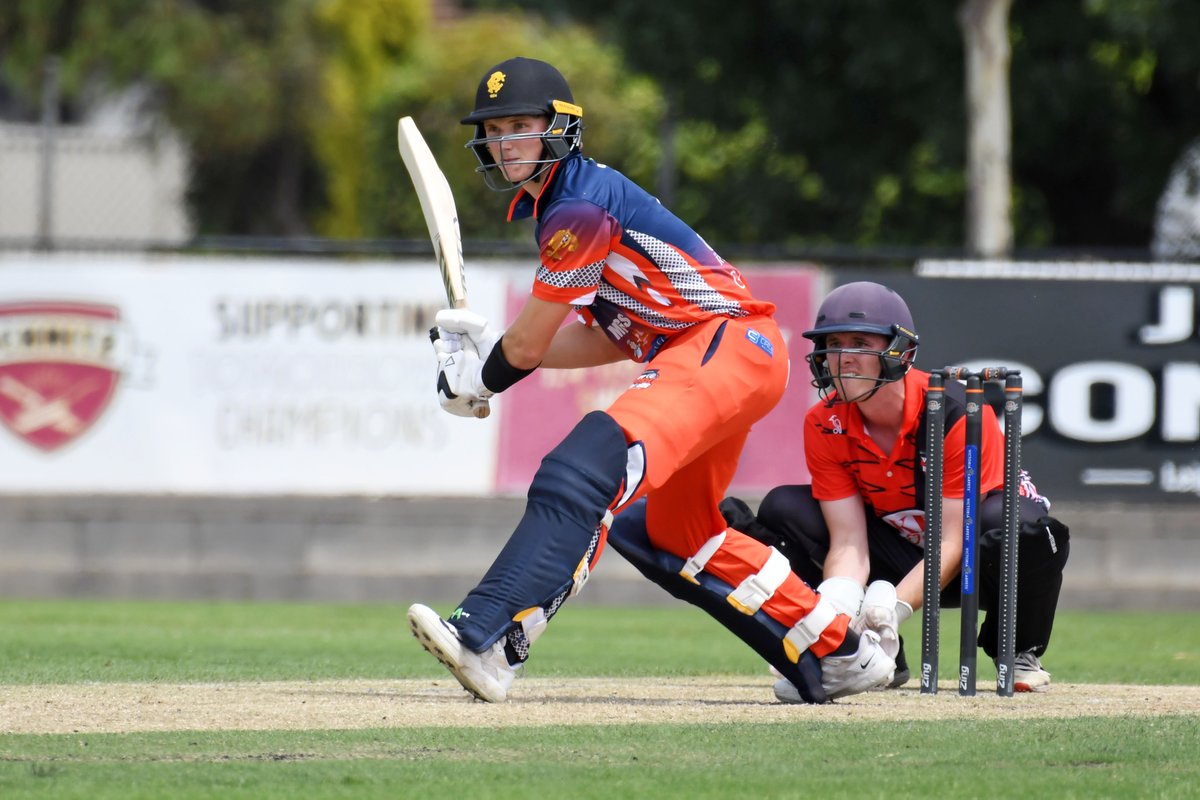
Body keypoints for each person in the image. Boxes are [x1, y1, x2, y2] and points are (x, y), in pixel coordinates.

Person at [406, 57, 896, 705]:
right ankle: (840, 652)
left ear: (561, 129)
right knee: (669, 531)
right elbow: (602, 335)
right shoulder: (568, 202)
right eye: (496, 131)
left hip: (725, 344)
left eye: (522, 125)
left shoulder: (575, 206)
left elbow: (526, 347)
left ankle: (492, 640)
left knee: (581, 469)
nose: (507, 143)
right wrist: (495, 358)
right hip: (726, 352)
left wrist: (487, 375)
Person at [721, 281, 1071, 695]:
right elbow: (848, 542)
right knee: (784, 507)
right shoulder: (823, 421)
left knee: (1014, 522)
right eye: (833, 343)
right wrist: (839, 616)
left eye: (859, 342)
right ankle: (877, 658)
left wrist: (893, 607)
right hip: (900, 554)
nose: (843, 357)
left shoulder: (955, 412)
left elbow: (955, 538)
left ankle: (1016, 651)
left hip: (977, 561)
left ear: (900, 353)